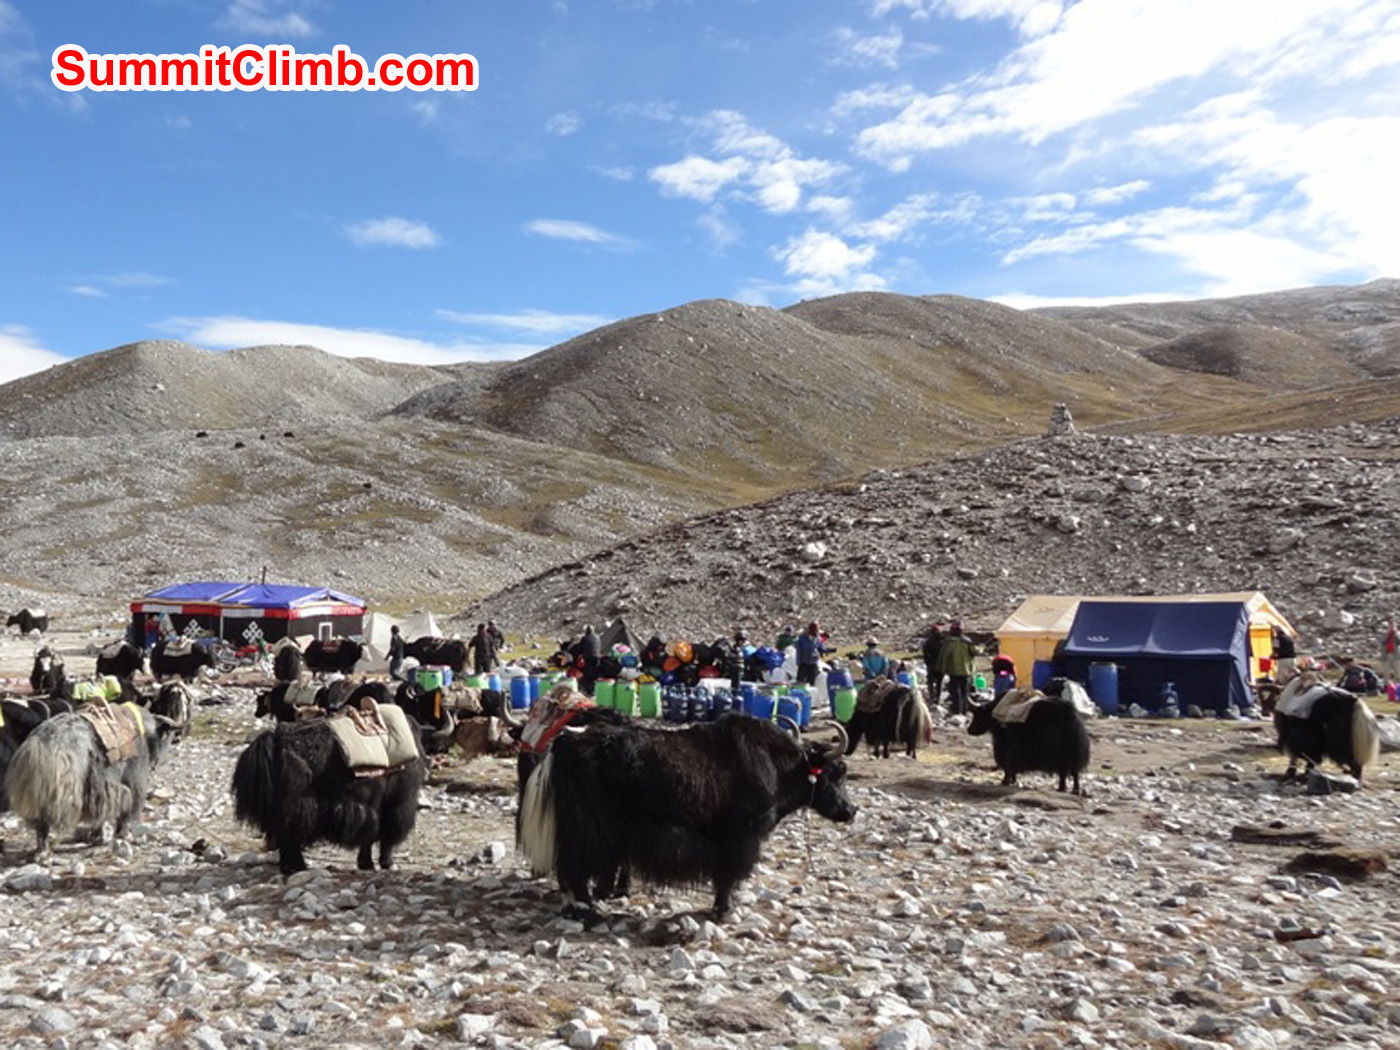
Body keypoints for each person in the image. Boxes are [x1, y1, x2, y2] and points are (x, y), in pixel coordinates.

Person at [938, 620, 978, 715]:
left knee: (955, 691)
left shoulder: (949, 642)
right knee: (965, 691)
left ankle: (957, 709)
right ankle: (964, 709)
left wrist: (942, 669)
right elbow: (974, 652)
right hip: (966, 671)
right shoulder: (967, 641)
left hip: (953, 671)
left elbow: (944, 656)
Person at [794, 621, 830, 687]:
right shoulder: (802, 638)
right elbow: (799, 651)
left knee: (812, 681)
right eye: (816, 629)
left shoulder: (817, 639)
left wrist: (828, 650)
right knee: (800, 681)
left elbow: (820, 648)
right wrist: (798, 662)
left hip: (813, 663)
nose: (817, 631)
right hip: (803, 663)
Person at [921, 623, 945, 707]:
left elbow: (925, 653)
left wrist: (927, 662)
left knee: (930, 681)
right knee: (939, 682)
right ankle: (938, 698)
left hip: (931, 664)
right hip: (940, 665)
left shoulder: (929, 641)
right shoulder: (943, 641)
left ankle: (932, 697)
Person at [576, 624, 601, 696]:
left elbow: (580, 648)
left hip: (588, 657)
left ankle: (588, 690)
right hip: (597, 657)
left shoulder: (585, 638)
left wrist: (579, 654)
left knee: (588, 673)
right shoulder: (597, 637)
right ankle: (595, 689)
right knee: (595, 673)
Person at [1381, 618, 1399, 684]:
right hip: (1387, 655)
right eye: (1390, 626)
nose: (1391, 628)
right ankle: (1386, 686)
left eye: (1393, 626)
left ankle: (1398, 686)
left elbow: (1398, 642)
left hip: (1395, 655)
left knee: (1398, 672)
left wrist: (1396, 634)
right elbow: (1383, 641)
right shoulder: (1384, 634)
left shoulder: (1397, 634)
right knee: (1386, 673)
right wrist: (1388, 634)